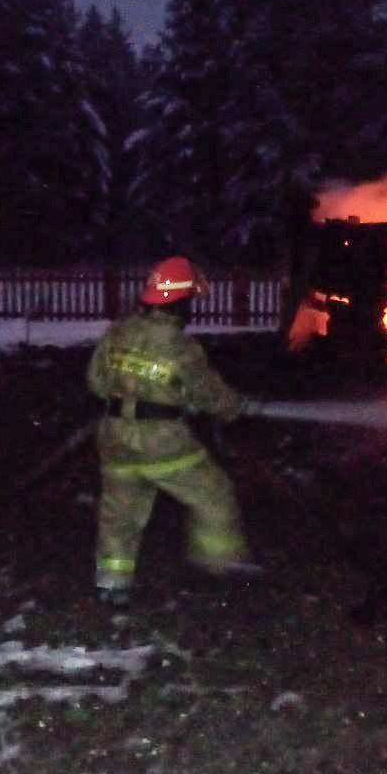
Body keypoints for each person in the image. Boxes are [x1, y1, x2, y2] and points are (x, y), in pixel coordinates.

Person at [87, 255, 260, 606]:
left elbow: (97, 383)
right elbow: (209, 395)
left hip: (114, 438)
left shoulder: (118, 332)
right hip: (162, 443)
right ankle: (221, 565)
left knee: (120, 515)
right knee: (214, 492)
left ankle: (111, 584)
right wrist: (237, 407)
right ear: (180, 301)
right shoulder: (181, 347)